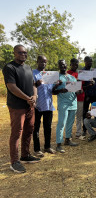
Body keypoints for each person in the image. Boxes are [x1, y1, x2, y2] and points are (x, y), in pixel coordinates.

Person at [3, 44, 40, 173]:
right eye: (20, 52)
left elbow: (33, 84)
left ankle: (25, 155)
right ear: (14, 53)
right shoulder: (9, 67)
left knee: (29, 129)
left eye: (25, 53)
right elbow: (12, 87)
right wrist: (27, 98)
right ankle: (14, 162)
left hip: (29, 106)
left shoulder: (28, 68)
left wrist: (34, 96)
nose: (23, 55)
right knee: (16, 132)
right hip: (17, 106)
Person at [52, 60, 79, 153]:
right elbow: (52, 91)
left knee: (70, 123)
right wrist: (59, 88)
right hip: (63, 103)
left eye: (64, 64)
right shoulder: (56, 78)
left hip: (73, 102)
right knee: (61, 122)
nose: (63, 66)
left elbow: (76, 90)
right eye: (61, 65)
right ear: (59, 66)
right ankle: (59, 144)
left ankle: (68, 139)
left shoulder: (72, 77)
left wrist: (79, 90)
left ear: (67, 65)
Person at [32, 55, 56, 157]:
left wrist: (57, 84)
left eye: (45, 62)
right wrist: (36, 84)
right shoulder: (33, 73)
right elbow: (30, 87)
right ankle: (37, 149)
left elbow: (52, 91)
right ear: (37, 61)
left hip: (48, 105)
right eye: (41, 62)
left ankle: (47, 146)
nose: (43, 64)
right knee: (36, 127)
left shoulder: (49, 75)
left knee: (48, 127)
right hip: (37, 106)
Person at [82, 56, 96, 136]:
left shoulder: (94, 71)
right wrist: (88, 87)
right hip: (87, 95)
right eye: (88, 61)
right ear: (85, 61)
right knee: (85, 112)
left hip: (95, 95)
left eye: (91, 61)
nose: (90, 63)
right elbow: (81, 85)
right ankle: (84, 130)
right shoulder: (82, 72)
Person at [67, 58, 85, 140]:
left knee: (79, 116)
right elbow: (66, 86)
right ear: (70, 64)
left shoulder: (81, 74)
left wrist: (82, 90)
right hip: (71, 98)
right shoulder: (67, 74)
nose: (75, 65)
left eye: (76, 64)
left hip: (80, 97)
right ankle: (69, 134)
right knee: (70, 117)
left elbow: (83, 85)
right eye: (73, 64)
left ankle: (78, 133)